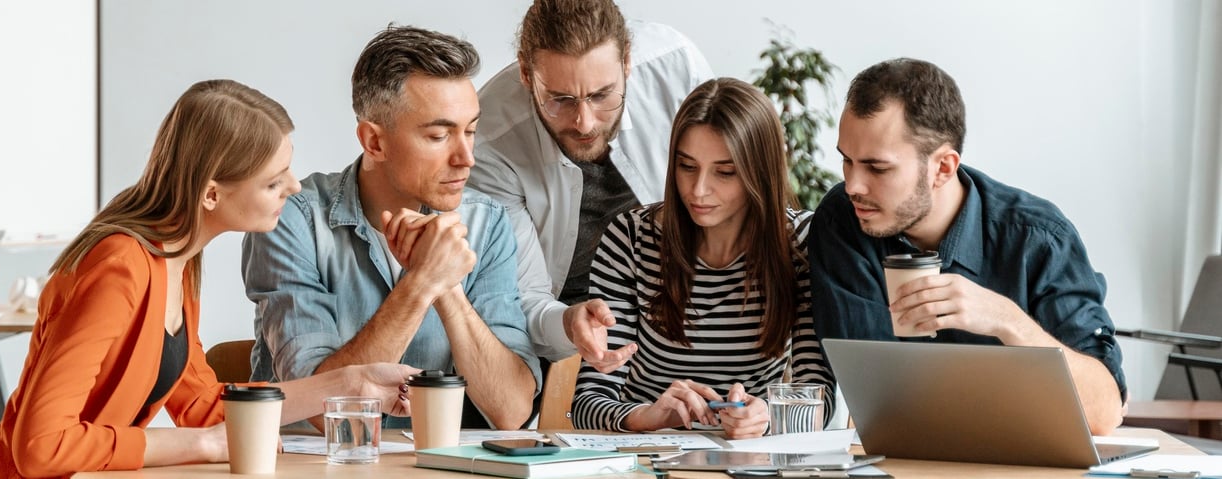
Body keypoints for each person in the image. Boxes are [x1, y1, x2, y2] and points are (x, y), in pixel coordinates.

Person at [0, 80, 417, 479]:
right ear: (211, 194)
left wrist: (348, 384)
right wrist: (203, 445)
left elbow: (201, 404)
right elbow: (40, 448)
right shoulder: (119, 267)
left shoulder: (173, 261)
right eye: (273, 181)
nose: (295, 187)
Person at [241, 26, 539, 431]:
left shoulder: (487, 223)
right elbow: (319, 410)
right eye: (439, 135)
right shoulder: (293, 218)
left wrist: (447, 286)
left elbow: (511, 411)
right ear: (374, 142)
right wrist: (419, 284)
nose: (467, 157)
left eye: (470, 130)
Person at [808, 58, 1125, 434]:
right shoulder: (842, 222)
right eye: (847, 161)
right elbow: (880, 402)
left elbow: (1105, 413)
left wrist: (1008, 322)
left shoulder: (1038, 238)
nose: (853, 186)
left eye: (877, 168)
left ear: (943, 167)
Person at [571, 78, 834, 439]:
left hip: (749, 458)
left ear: (760, 173)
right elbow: (588, 402)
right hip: (648, 456)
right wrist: (648, 416)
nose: (698, 190)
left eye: (725, 172)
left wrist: (768, 417)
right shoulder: (631, 238)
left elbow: (819, 398)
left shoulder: (801, 242)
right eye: (687, 167)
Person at [470, 0, 714, 370]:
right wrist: (568, 321)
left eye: (602, 95)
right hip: (559, 329)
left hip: (687, 308)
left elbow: (728, 198)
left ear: (627, 62)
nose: (585, 123)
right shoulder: (488, 138)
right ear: (525, 73)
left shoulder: (676, 65)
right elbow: (521, 294)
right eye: (561, 100)